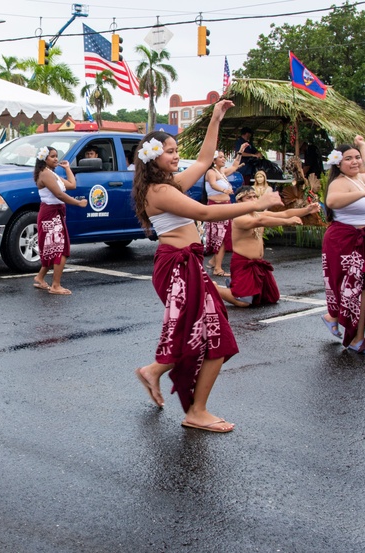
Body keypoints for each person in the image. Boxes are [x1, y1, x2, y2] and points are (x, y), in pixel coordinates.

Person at [132, 100, 283, 433]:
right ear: (153, 157)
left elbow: (203, 159)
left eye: (174, 150)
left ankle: (156, 372)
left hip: (185, 268)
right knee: (217, 339)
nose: (175, 155)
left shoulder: (170, 185)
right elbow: (204, 214)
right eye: (169, 151)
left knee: (203, 335)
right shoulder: (158, 191)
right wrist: (257, 203)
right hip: (177, 270)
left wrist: (215, 118)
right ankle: (196, 410)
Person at [319, 137, 365, 355]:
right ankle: (356, 339)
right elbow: (332, 202)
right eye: (348, 159)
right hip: (346, 243)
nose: (355, 162)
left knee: (360, 289)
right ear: (338, 164)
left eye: (357, 158)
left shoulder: (359, 179)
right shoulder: (339, 182)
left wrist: (364, 147)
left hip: (363, 242)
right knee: (358, 290)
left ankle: (335, 318)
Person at [216, 186, 320, 307]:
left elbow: (285, 213)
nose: (253, 199)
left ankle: (234, 286)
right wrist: (287, 222)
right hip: (243, 263)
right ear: (239, 201)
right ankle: (214, 287)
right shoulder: (239, 218)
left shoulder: (258, 214)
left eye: (255, 196)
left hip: (259, 263)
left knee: (271, 298)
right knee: (243, 302)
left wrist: (306, 210)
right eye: (249, 197)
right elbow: (261, 222)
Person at [31, 147, 87, 295]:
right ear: (44, 159)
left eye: (56, 156)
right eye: (52, 156)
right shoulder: (45, 174)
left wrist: (67, 168)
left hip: (55, 213)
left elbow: (72, 185)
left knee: (54, 248)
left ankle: (40, 277)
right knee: (60, 249)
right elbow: (59, 194)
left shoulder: (51, 174)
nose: (56, 159)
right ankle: (56, 285)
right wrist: (77, 203)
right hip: (50, 214)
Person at [203, 148, 245, 277]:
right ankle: (218, 269)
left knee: (226, 237)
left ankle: (213, 262)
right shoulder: (211, 172)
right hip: (217, 207)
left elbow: (234, 166)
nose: (223, 159)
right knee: (220, 238)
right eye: (221, 157)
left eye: (223, 157)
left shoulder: (221, 172)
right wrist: (224, 190)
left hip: (225, 207)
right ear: (214, 160)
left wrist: (240, 151)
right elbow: (213, 184)